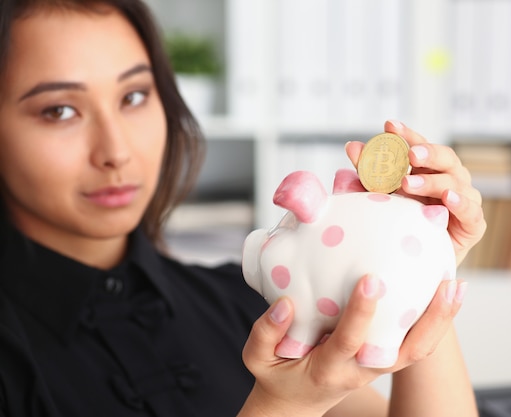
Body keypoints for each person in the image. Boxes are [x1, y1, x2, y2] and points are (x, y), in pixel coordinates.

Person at [0, 0, 486, 416]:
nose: (116, 150)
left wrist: (419, 268)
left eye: (134, 96)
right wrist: (283, 406)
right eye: (59, 110)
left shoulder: (253, 302)